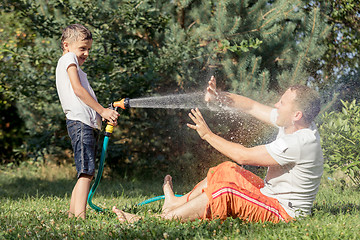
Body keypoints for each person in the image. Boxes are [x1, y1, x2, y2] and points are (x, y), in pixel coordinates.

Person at [112, 75, 323, 223]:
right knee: (226, 170)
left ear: (297, 114)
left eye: (282, 102)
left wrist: (207, 135)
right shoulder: (291, 121)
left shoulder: (299, 142)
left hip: (284, 212)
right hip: (269, 194)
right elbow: (250, 106)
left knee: (226, 191)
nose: (276, 105)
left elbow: (244, 155)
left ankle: (156, 220)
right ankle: (176, 203)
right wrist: (218, 97)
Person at [56, 24, 119, 219]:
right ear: (66, 45)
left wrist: (103, 115)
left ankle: (73, 215)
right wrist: (101, 110)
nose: (86, 53)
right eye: (82, 48)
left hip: (85, 123)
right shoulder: (68, 59)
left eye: (89, 49)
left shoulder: (73, 63)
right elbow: (77, 90)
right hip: (79, 123)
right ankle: (80, 218)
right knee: (86, 171)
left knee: (87, 172)